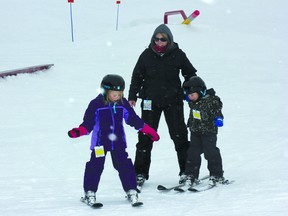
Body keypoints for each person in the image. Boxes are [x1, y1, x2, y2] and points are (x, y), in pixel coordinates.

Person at [68, 74, 159, 207]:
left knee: (125, 166)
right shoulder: (96, 104)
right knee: (95, 167)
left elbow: (133, 119)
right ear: (105, 92)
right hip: (100, 143)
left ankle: (131, 190)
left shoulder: (123, 103)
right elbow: (88, 124)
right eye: (114, 94)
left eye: (119, 94)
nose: (117, 97)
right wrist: (79, 131)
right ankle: (90, 192)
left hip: (118, 143)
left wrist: (148, 130)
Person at [128, 24, 197, 187]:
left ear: (169, 40)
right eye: (156, 39)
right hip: (149, 102)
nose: (159, 42)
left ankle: (187, 172)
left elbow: (190, 74)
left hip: (173, 101)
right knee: (145, 137)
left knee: (179, 136)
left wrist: (191, 90)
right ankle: (139, 173)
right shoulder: (146, 55)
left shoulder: (178, 54)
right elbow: (136, 77)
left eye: (163, 39)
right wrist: (132, 96)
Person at [182, 76, 225, 186]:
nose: (190, 97)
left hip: (208, 131)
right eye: (189, 96)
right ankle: (191, 174)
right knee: (193, 153)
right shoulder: (193, 100)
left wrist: (219, 118)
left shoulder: (212, 101)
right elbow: (187, 98)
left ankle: (216, 175)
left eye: (192, 95)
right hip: (195, 131)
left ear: (200, 92)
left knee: (210, 152)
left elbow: (217, 110)